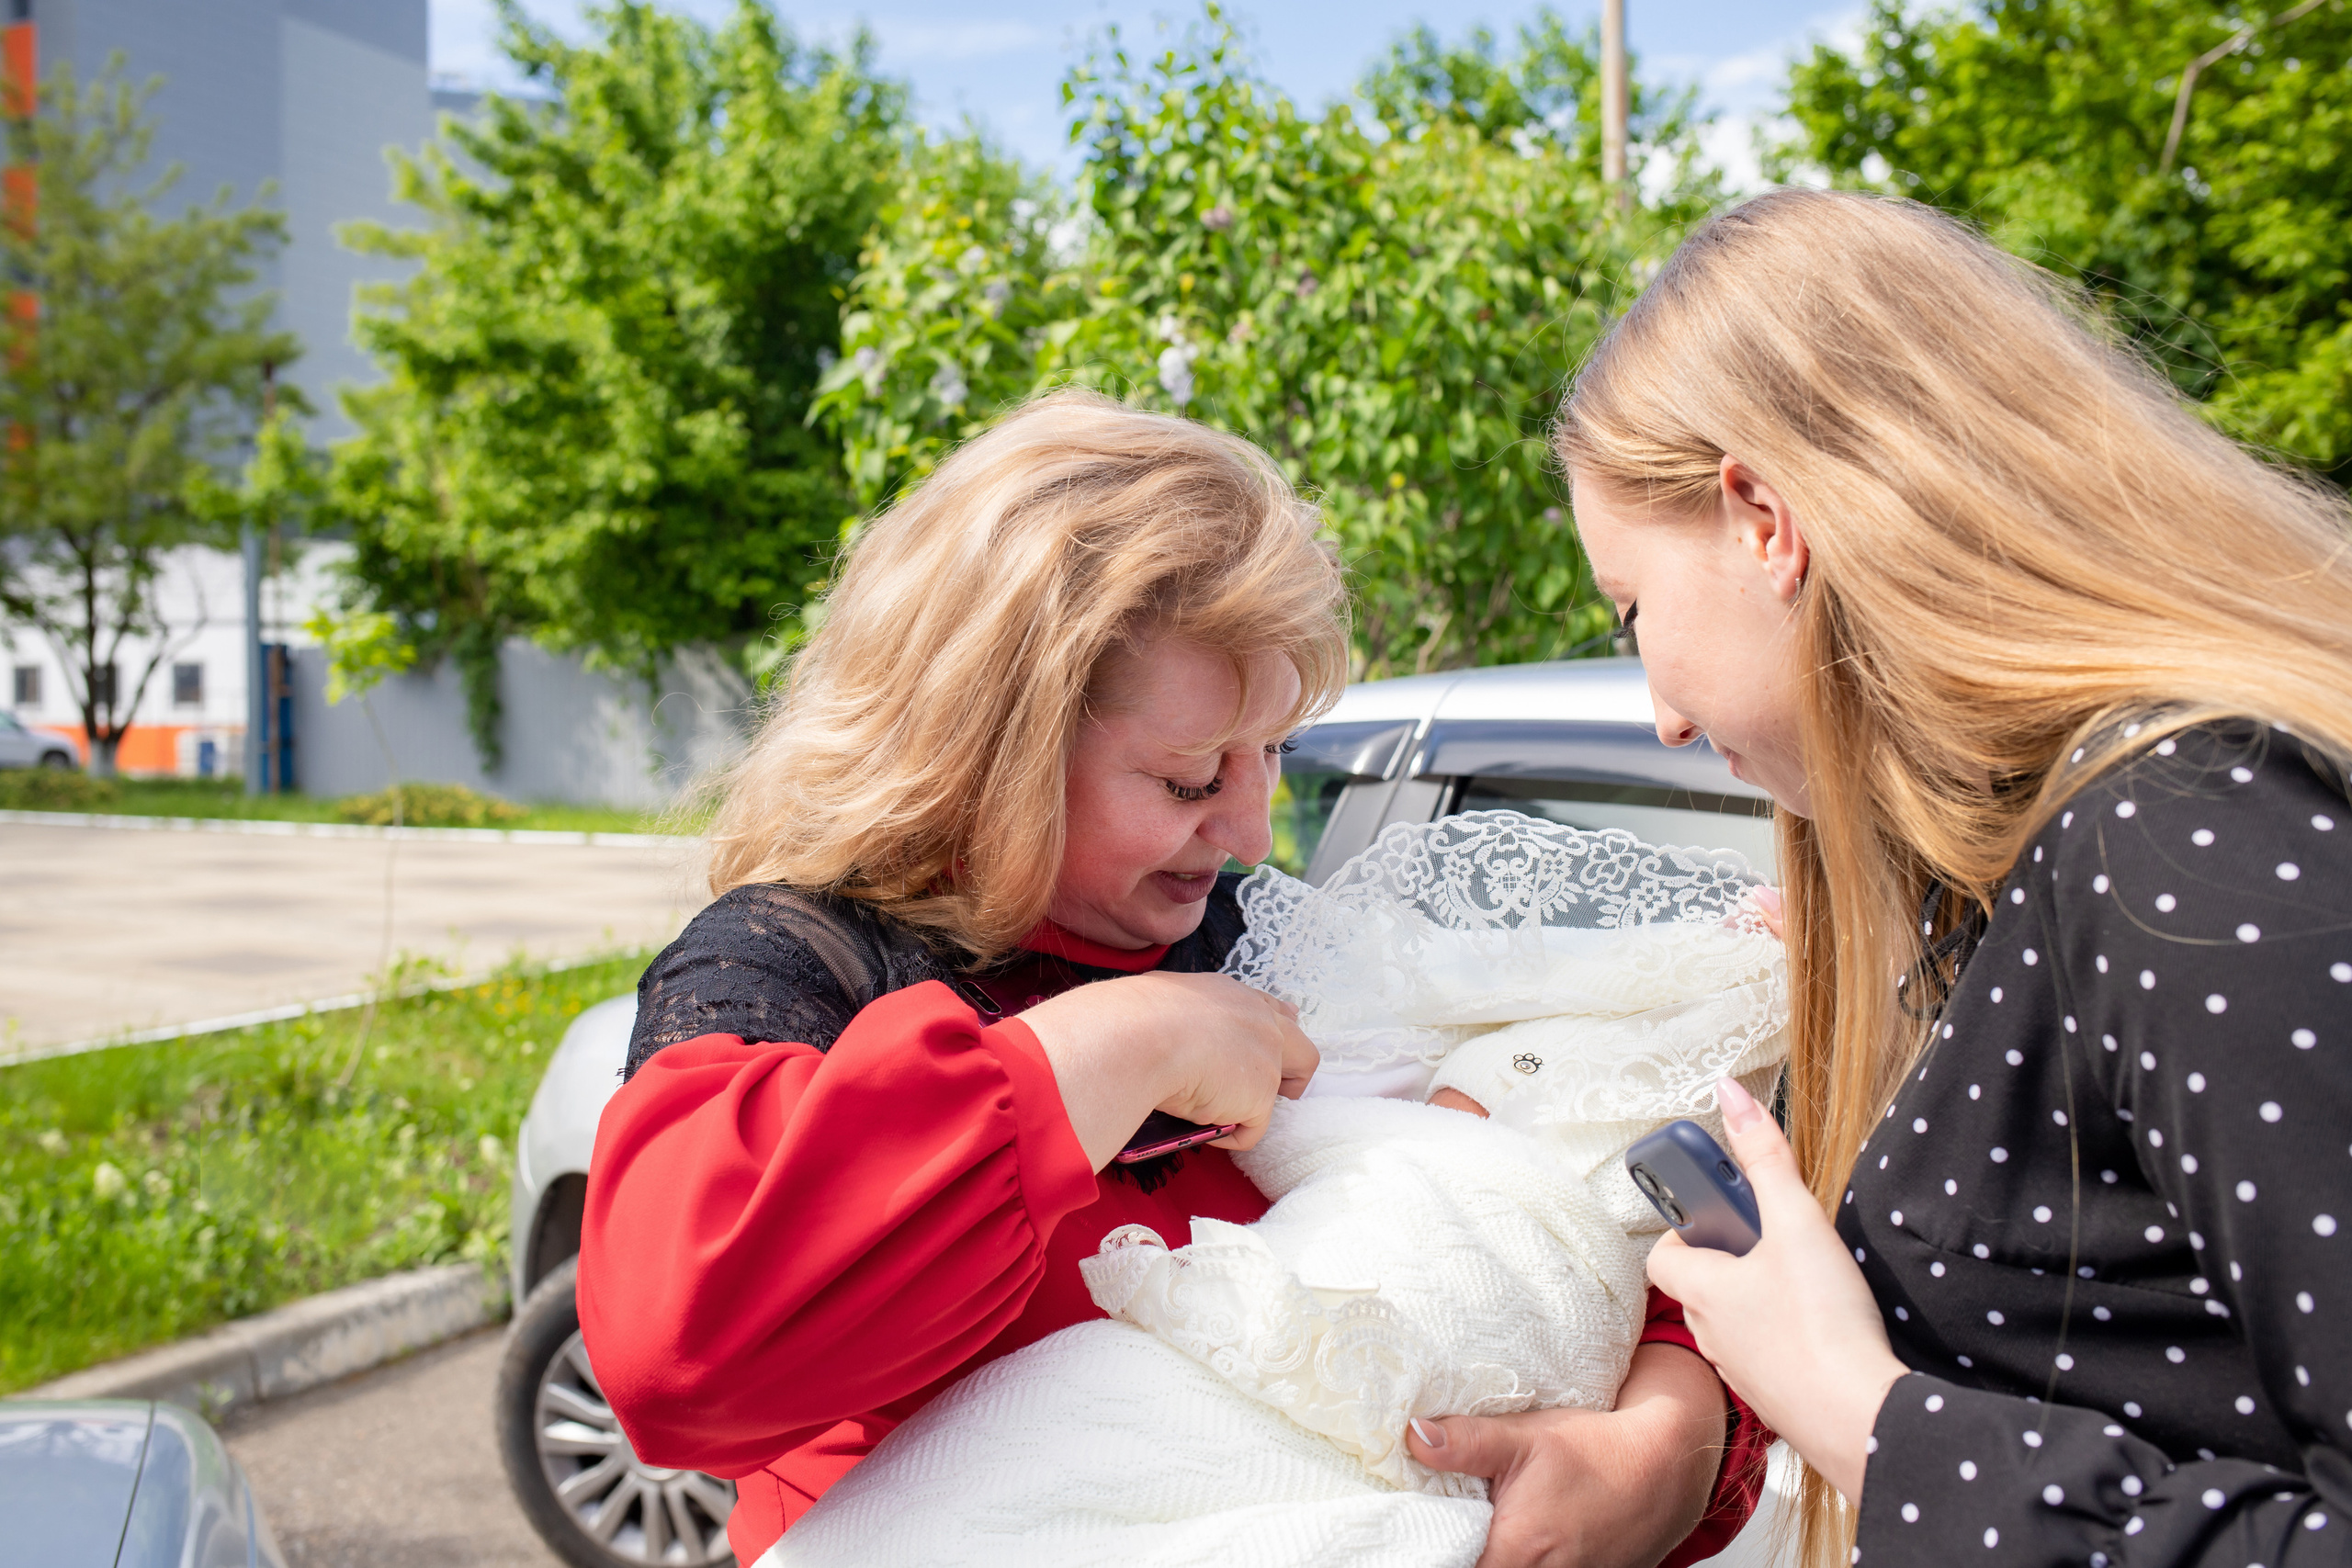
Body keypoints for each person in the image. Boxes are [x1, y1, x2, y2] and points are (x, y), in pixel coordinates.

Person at [577, 389, 1770, 1568]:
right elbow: (679, 1362)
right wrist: (1109, 1052)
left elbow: (1562, 1186)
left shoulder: (1256, 935)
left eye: (1271, 759)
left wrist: (1670, 1440)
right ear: (985, 756)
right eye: (1193, 780)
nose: (1252, 835)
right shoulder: (794, 967)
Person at [1473, 186, 2352, 1568]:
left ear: (1763, 519)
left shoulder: (2180, 841)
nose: (1665, 715)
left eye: (1635, 612)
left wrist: (1864, 1416)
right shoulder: (2046, 870)